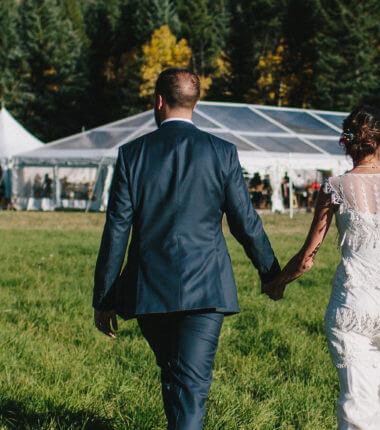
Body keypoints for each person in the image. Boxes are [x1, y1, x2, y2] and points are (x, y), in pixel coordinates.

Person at [92, 68, 281, 430]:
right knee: (187, 386)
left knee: (177, 378)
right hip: (207, 288)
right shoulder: (222, 152)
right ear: (196, 104)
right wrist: (270, 273)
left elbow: (116, 230)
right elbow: (245, 222)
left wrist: (104, 296)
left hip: (149, 290)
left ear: (158, 102)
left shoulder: (133, 154)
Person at [262, 106, 380, 429]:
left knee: (356, 403)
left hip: (353, 306)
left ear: (347, 143)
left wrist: (278, 283)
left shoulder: (334, 188)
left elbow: (307, 257)